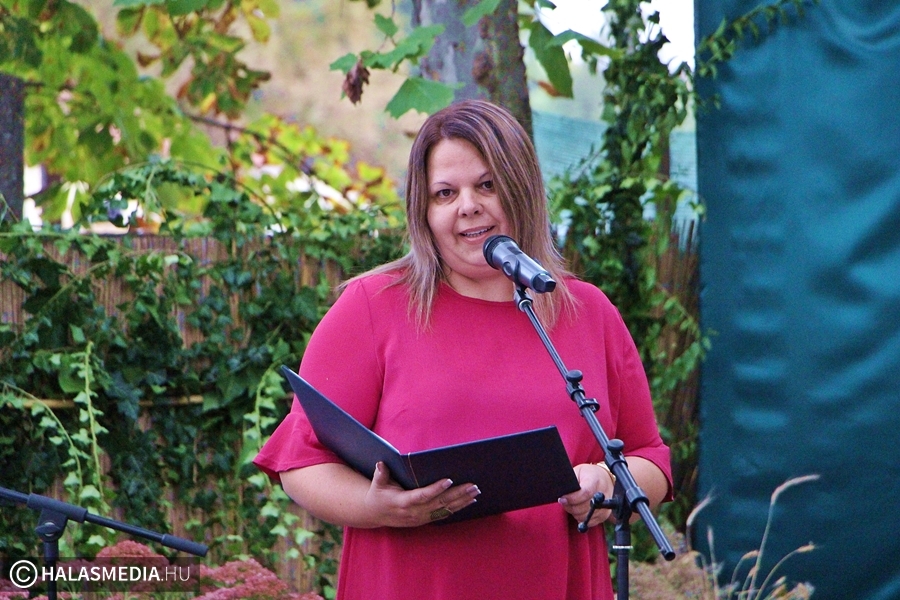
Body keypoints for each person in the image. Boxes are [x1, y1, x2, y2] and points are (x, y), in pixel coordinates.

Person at [254, 99, 672, 600]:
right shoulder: (373, 307)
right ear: (425, 212)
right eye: (445, 193)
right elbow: (301, 461)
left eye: (487, 185)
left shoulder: (588, 312)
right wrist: (378, 507)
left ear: (522, 189)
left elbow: (650, 460)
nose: (468, 206)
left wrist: (605, 484)